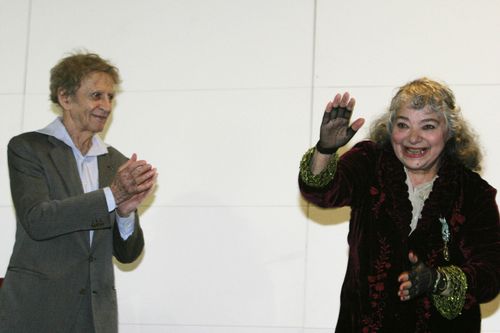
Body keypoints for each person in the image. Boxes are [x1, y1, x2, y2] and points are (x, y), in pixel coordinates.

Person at [298, 78, 500, 332]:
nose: (413, 138)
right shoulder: (369, 162)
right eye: (403, 125)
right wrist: (325, 150)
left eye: (427, 126)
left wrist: (437, 280)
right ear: (390, 128)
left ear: (449, 132)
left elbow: (490, 276)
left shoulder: (473, 193)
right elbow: (321, 191)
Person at [0, 52, 157, 333]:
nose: (106, 106)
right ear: (65, 98)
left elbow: (128, 254)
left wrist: (125, 213)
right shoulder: (28, 149)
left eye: (111, 97)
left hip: (96, 319)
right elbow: (38, 220)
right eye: (97, 95)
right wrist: (112, 196)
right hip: (36, 312)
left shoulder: (115, 162)